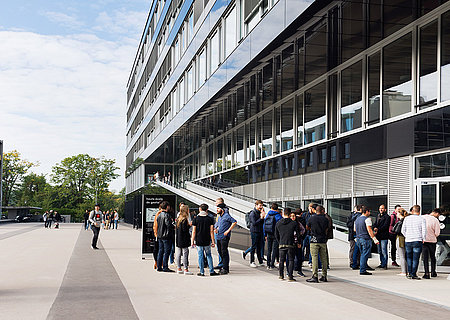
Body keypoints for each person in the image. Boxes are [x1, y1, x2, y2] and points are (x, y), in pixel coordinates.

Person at [191, 204, 219, 276]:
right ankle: (211, 271)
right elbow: (211, 231)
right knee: (209, 255)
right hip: (207, 240)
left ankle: (202, 272)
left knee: (200, 256)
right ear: (207, 210)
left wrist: (192, 241)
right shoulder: (210, 219)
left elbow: (194, 231)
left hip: (199, 240)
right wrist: (213, 241)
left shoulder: (196, 219)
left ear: (200, 209)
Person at [275, 208, 301, 282]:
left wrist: (280, 241)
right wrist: (298, 242)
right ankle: (290, 276)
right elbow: (298, 234)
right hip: (291, 244)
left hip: (282, 244)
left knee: (281, 260)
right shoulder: (293, 223)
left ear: (283, 214)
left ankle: (281, 275)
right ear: (290, 215)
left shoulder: (278, 223)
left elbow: (276, 234)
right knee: (291, 260)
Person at [401, 205, 426, 280]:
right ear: (419, 211)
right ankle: (413, 274)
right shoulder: (422, 219)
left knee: (409, 257)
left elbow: (403, 230)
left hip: (408, 240)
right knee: (415, 258)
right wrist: (423, 238)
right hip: (417, 240)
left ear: (412, 211)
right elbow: (424, 230)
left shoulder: (406, 219)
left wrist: (407, 236)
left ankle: (409, 273)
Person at [306, 205, 329, 283]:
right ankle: (324, 275)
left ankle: (315, 276)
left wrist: (312, 230)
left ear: (316, 210)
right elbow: (327, 229)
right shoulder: (326, 219)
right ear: (322, 210)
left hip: (314, 239)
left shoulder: (312, 218)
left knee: (314, 258)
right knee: (324, 259)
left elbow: (307, 227)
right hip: (322, 240)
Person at [354, 207, 379, 275]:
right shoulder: (367, 219)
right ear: (366, 211)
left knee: (362, 254)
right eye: (369, 212)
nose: (370, 213)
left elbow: (355, 229)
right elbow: (369, 230)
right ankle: (363, 270)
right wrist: (374, 239)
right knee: (365, 255)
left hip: (358, 238)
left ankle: (363, 268)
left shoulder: (357, 219)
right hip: (365, 239)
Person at [214, 202, 237, 275]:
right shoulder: (220, 216)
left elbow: (234, 222)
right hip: (218, 236)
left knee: (224, 252)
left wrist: (228, 230)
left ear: (222, 209)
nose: (217, 210)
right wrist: (215, 228)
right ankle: (223, 266)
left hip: (224, 237)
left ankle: (225, 268)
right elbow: (217, 224)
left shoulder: (227, 216)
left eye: (218, 208)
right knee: (220, 251)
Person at [156, 201, 175, 272]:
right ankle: (165, 267)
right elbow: (168, 225)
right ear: (167, 207)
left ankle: (159, 266)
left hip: (160, 235)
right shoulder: (167, 215)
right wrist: (173, 227)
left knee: (160, 251)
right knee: (167, 252)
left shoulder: (159, 215)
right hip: (166, 236)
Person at [422, 208, 441, 279]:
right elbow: (437, 232)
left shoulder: (422, 217)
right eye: (438, 215)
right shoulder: (435, 220)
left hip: (424, 241)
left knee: (425, 258)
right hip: (432, 241)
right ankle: (433, 271)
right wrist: (433, 235)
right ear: (436, 213)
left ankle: (426, 273)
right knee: (432, 256)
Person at [175, 204, 193, 275]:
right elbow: (185, 229)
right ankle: (186, 269)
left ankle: (179, 268)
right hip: (184, 239)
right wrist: (189, 225)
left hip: (179, 238)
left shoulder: (179, 219)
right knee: (185, 253)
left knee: (178, 253)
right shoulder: (184, 220)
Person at [264, 203, 282, 270]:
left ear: (271, 208)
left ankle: (268, 264)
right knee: (274, 250)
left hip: (269, 234)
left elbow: (264, 225)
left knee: (269, 249)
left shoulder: (268, 215)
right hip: (275, 234)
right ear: (277, 209)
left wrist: (265, 234)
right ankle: (272, 264)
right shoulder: (278, 216)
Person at [248, 200, 266, 268]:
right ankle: (252, 261)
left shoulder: (260, 212)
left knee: (259, 247)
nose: (261, 207)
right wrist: (261, 218)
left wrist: (263, 217)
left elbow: (262, 222)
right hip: (254, 231)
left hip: (260, 231)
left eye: (262, 205)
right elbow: (254, 223)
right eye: (260, 205)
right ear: (256, 205)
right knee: (254, 246)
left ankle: (260, 261)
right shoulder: (253, 213)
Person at [373, 204, 390, 269]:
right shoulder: (378, 216)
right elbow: (375, 224)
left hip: (384, 236)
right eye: (380, 208)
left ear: (385, 209)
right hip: (378, 236)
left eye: (382, 208)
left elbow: (386, 226)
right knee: (379, 251)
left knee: (384, 251)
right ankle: (381, 263)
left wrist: (378, 229)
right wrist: (374, 227)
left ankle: (385, 264)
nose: (381, 209)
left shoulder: (387, 217)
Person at [290, 210, 306, 277]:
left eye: (294, 216)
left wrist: (300, 236)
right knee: (291, 258)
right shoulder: (288, 223)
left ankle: (299, 270)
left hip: (298, 242)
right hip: (290, 243)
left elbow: (303, 230)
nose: (293, 217)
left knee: (299, 257)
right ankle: (290, 272)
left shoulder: (298, 223)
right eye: (291, 216)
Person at [395, 209, 408, 276]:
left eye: (397, 213)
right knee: (405, 255)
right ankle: (407, 270)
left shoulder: (400, 221)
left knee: (401, 255)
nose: (396, 214)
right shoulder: (406, 220)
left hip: (400, 238)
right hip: (406, 239)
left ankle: (403, 271)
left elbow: (396, 230)